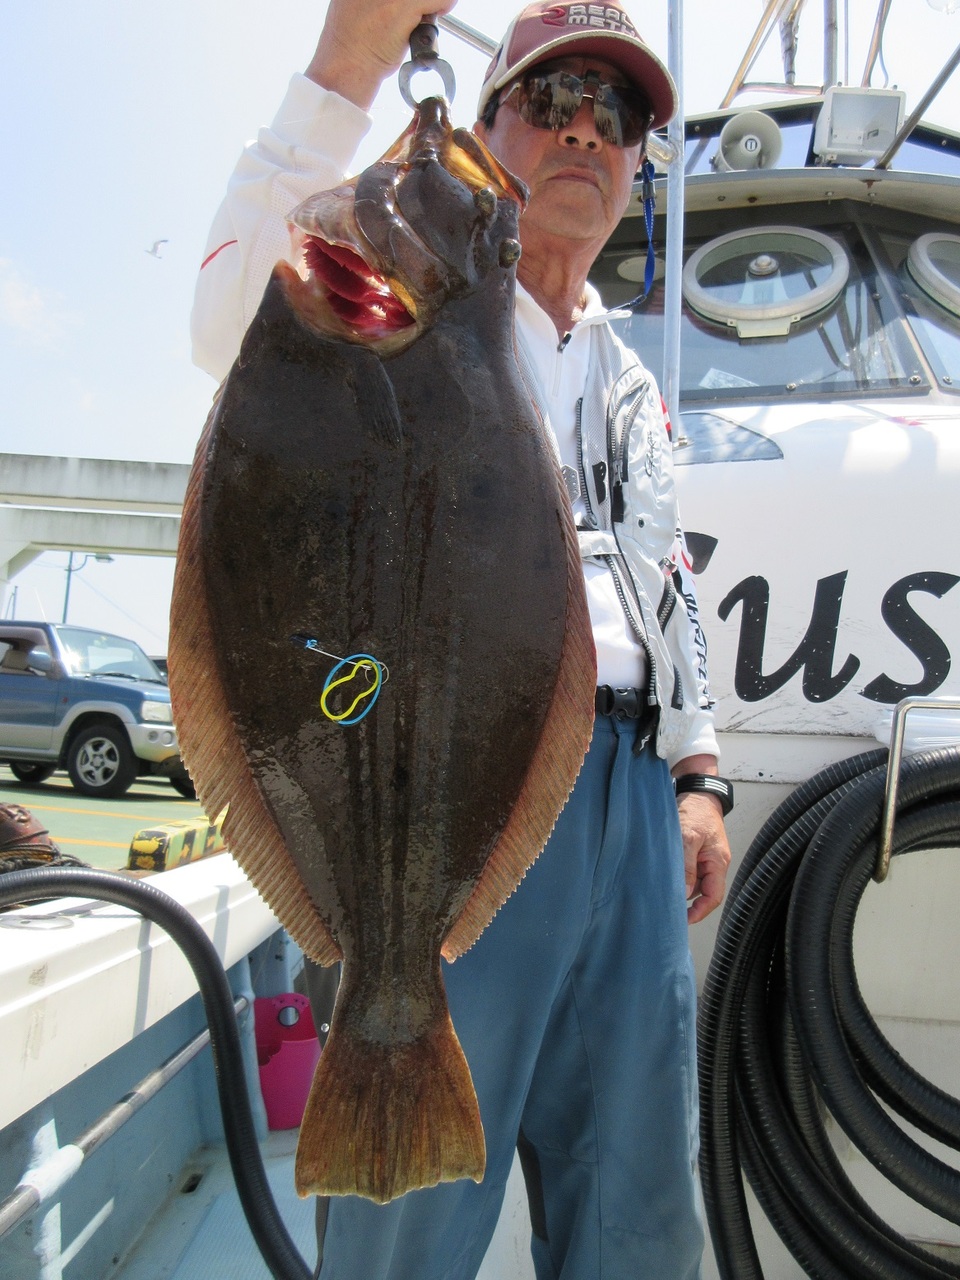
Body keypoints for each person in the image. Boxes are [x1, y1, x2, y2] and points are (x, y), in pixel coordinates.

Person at [191, 3, 732, 1277]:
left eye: (619, 116)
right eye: (551, 101)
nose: (586, 134)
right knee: (408, 1234)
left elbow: (667, 579)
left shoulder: (627, 375)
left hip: (635, 809)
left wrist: (699, 772)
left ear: (641, 161)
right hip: (447, 798)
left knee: (640, 1206)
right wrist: (347, 67)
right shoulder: (383, 299)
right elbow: (230, 320)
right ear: (489, 129)